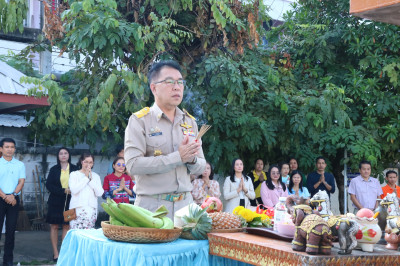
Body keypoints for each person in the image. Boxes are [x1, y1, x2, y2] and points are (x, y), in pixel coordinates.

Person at [124, 60, 206, 219]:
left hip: (186, 207)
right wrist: (177, 157)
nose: (177, 87)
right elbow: (133, 165)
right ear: (153, 88)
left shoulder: (189, 122)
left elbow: (201, 166)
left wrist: (191, 160)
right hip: (152, 208)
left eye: (180, 82)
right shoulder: (140, 120)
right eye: (169, 82)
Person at [45, 147, 78, 262]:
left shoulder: (75, 168)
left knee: (66, 226)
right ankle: (55, 253)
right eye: (61, 153)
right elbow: (49, 185)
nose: (63, 155)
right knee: (54, 226)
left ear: (69, 155)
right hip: (55, 202)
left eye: (66, 153)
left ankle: (63, 252)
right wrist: (63, 190)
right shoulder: (54, 169)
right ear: (57, 156)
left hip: (70, 202)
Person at [0, 138, 26, 266]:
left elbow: (21, 181)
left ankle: (8, 260)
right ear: (1, 149)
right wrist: (5, 196)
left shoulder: (20, 165)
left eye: (12, 147)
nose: (9, 149)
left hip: (14, 199)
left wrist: (13, 195)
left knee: (10, 231)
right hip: (1, 198)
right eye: (7, 147)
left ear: (15, 149)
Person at [69, 153, 104, 229]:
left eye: (90, 162)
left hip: (91, 209)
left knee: (88, 233)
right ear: (81, 161)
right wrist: (86, 178)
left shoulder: (96, 176)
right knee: (75, 232)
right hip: (76, 209)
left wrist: (91, 180)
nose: (88, 164)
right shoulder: (74, 174)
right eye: (86, 162)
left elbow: (100, 193)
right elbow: (74, 190)